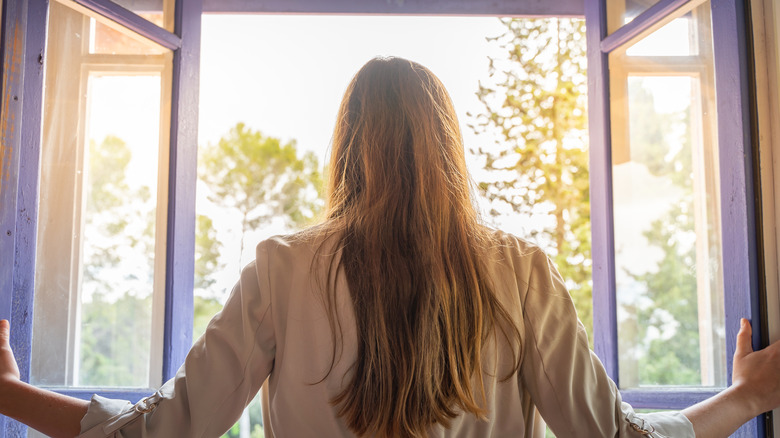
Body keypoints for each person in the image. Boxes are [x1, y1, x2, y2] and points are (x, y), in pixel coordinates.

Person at [1, 56, 779, 438]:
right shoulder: (521, 271)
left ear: (346, 145)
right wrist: (747, 396)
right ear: (451, 146)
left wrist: (6, 391)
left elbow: (163, 432)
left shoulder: (283, 266)